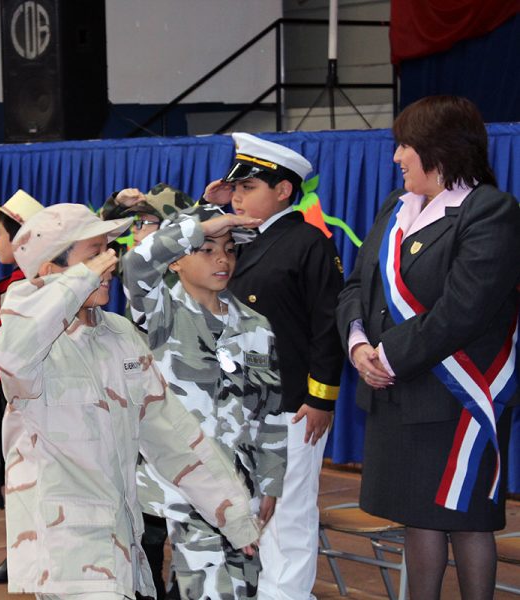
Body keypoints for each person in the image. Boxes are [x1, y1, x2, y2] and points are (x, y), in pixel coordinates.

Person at [0, 203, 262, 599]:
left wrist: (232, 511)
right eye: (94, 254)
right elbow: (5, 356)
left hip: (121, 541)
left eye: (107, 251)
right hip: (66, 551)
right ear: (50, 270)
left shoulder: (118, 334)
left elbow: (172, 433)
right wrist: (78, 281)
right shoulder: (28, 336)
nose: (109, 263)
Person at [336, 95, 520, 600]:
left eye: (406, 146)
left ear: (440, 149)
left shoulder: (489, 211)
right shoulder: (393, 208)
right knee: (418, 518)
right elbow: (357, 285)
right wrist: (358, 346)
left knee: (465, 519)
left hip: (454, 396)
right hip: (398, 393)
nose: (397, 157)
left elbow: (465, 307)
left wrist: (388, 356)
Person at [204, 132, 345, 600]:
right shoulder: (236, 240)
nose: (238, 196)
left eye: (248, 187)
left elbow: (329, 326)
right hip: (237, 403)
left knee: (287, 516)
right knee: (244, 510)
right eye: (236, 188)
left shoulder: (307, 242)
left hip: (289, 406)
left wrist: (320, 398)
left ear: (283, 191)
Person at [123, 202, 285, 600]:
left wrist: (270, 483)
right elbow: (136, 265)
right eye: (206, 249)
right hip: (173, 489)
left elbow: (270, 412)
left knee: (237, 588)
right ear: (175, 262)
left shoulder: (255, 326)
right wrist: (205, 225)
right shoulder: (162, 314)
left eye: (230, 249)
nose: (222, 259)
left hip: (235, 487)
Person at [101, 183, 195, 600]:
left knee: (191, 531)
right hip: (140, 421)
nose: (136, 233)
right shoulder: (137, 272)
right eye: (135, 224)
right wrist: (112, 208)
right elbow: (87, 247)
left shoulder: (191, 282)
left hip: (182, 422)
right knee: (147, 529)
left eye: (146, 224)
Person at [0, 189, 44, 585]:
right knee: (12, 480)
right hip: (5, 399)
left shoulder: (32, 288)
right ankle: (21, 550)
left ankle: (32, 552)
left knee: (30, 478)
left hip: (30, 400)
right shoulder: (4, 288)